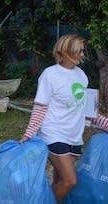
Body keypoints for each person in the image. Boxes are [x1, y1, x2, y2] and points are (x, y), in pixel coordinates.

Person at [20, 34, 108, 204]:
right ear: (66, 52)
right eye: (80, 51)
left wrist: (106, 124)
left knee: (59, 181)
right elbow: (40, 108)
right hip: (53, 134)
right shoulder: (50, 75)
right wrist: (28, 134)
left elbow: (87, 111)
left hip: (74, 137)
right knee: (70, 181)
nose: (83, 55)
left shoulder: (82, 76)